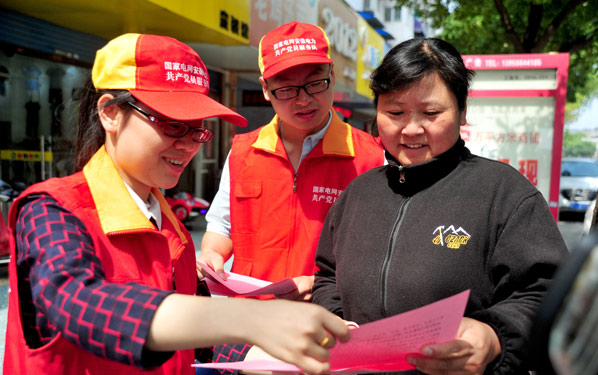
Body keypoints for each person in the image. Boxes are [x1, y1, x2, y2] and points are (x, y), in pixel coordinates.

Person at [3, 33, 349, 375]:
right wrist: (250, 319)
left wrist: (270, 351)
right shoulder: (50, 210)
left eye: (196, 130)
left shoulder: (173, 230)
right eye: (171, 125)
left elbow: (198, 344)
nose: (187, 146)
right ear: (110, 113)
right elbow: (78, 303)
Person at [312, 37, 568, 375]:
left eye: (431, 113)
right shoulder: (358, 194)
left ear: (462, 111)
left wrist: (494, 337)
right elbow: (327, 276)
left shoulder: (504, 193)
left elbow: (549, 293)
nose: (412, 129)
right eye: (395, 112)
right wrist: (337, 321)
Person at [198, 21, 384, 301]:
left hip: (326, 317)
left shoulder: (370, 156)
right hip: (250, 319)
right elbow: (222, 225)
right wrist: (212, 255)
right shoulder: (243, 151)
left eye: (315, 83)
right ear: (265, 88)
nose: (303, 100)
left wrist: (322, 285)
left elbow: (378, 248)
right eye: (286, 89)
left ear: (331, 75)